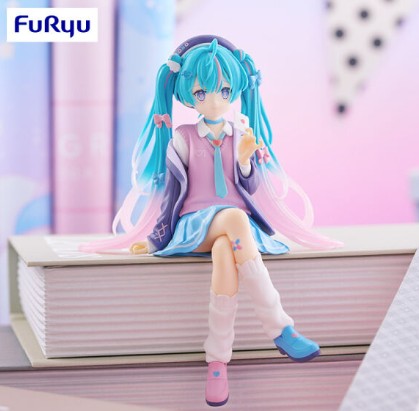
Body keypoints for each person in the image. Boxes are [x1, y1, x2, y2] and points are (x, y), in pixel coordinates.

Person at [83, 35, 341, 407]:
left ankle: (217, 361)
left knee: (225, 253)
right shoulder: (183, 137)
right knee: (232, 219)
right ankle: (281, 327)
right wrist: (156, 238)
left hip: (236, 233)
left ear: (235, 91)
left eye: (224, 91)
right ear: (189, 96)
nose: (215, 101)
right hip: (195, 224)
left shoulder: (241, 136)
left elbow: (251, 187)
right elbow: (172, 193)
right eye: (202, 93)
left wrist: (246, 160)